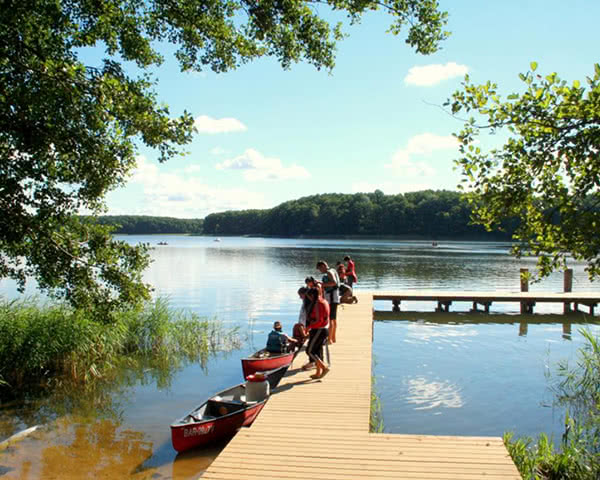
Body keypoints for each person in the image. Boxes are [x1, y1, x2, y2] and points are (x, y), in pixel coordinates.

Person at [303, 287, 330, 379]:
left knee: (309, 351)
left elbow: (318, 320)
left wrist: (308, 327)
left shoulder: (318, 304)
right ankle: (318, 373)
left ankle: (324, 368)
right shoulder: (324, 301)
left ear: (313, 295)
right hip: (323, 329)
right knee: (317, 351)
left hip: (319, 329)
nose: (309, 299)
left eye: (309, 296)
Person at [316, 260, 340, 344]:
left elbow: (334, 283)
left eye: (320, 269)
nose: (320, 271)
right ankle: (333, 338)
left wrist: (322, 284)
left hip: (332, 297)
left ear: (323, 266)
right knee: (333, 319)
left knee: (331, 319)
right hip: (334, 297)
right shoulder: (333, 270)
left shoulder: (329, 272)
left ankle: (329, 339)